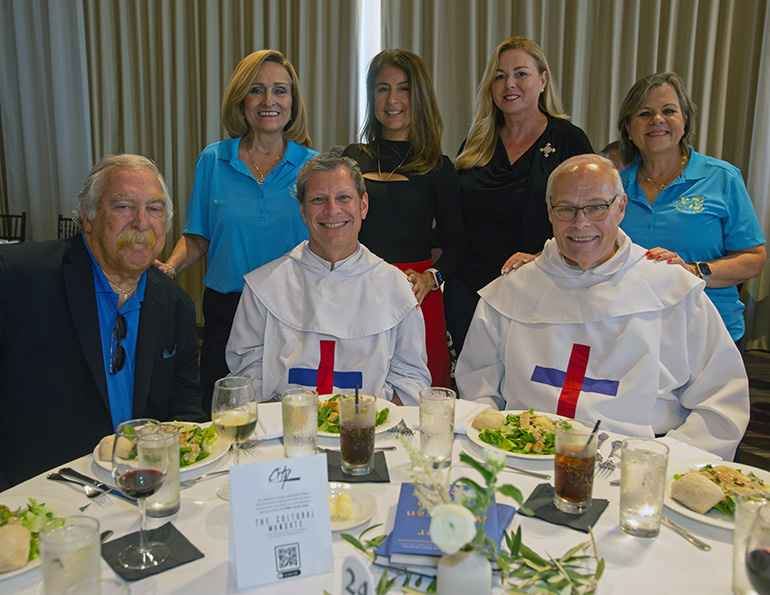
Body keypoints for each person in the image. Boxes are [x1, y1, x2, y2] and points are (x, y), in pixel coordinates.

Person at [456, 155, 749, 460]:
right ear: (550, 211)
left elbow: (721, 402)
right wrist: (499, 452)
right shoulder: (511, 290)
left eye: (596, 207)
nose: (581, 222)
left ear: (621, 207)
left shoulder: (672, 289)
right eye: (566, 209)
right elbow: (479, 391)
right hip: (522, 460)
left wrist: (658, 464)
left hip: (638, 466)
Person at [0, 155, 206, 488]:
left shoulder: (174, 304)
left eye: (154, 209)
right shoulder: (18, 280)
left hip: (143, 490)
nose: (142, 222)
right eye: (124, 206)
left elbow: (187, 417)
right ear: (88, 216)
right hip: (41, 496)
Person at [155, 50, 317, 414]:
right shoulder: (213, 159)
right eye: (257, 90)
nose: (269, 101)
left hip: (295, 311)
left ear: (292, 103)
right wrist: (168, 269)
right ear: (241, 100)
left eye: (280, 90)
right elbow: (197, 237)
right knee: (224, 417)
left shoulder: (313, 165)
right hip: (226, 310)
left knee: (289, 413)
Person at [226, 152, 431, 405]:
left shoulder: (397, 289)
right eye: (318, 199)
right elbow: (245, 378)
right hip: (284, 434)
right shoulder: (263, 287)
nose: (332, 210)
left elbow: (411, 382)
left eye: (343, 198)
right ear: (302, 209)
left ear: (363, 205)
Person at [447, 36, 593, 355]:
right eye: (499, 76)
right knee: (473, 393)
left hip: (542, 291)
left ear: (542, 80)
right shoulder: (475, 143)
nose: (509, 84)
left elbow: (590, 223)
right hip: (469, 293)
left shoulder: (569, 142)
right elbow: (452, 220)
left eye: (520, 73)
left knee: (527, 392)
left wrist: (542, 257)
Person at [343, 50, 465, 388]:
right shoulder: (352, 158)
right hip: (359, 290)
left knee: (418, 398)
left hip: (416, 295)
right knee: (360, 392)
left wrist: (431, 278)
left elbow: (457, 247)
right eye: (383, 88)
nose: (393, 99)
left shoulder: (439, 167)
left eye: (404, 89)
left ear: (420, 95)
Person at [617, 72, 765, 348]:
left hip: (710, 333)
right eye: (644, 113)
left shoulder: (723, 178)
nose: (657, 120)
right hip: (632, 334)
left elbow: (754, 258)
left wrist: (693, 271)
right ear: (627, 127)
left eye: (669, 111)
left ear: (685, 121)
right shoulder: (614, 187)